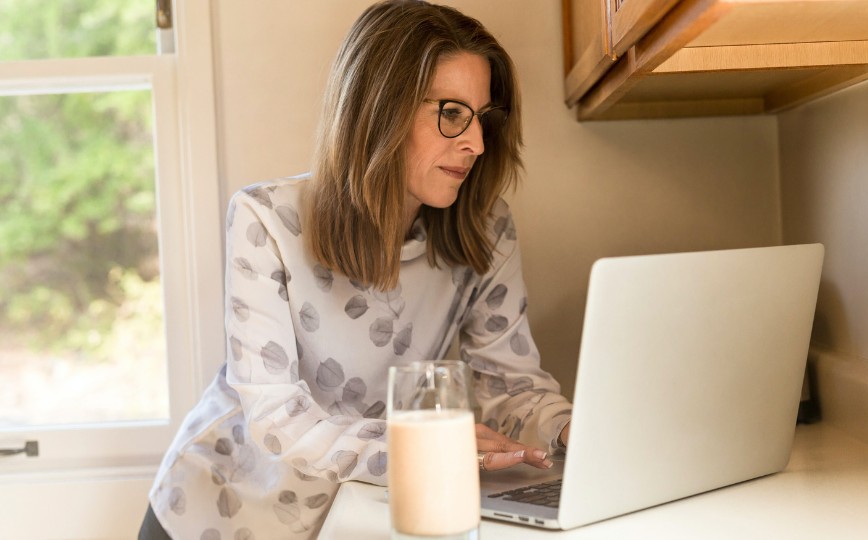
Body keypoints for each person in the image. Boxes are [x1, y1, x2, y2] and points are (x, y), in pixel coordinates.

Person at [139, 1, 572, 538]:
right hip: (218, 514)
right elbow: (276, 419)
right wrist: (424, 447)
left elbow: (509, 387)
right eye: (452, 114)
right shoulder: (265, 220)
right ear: (380, 110)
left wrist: (568, 428)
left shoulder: (486, 229)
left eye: (482, 117)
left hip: (351, 517)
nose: (476, 144)